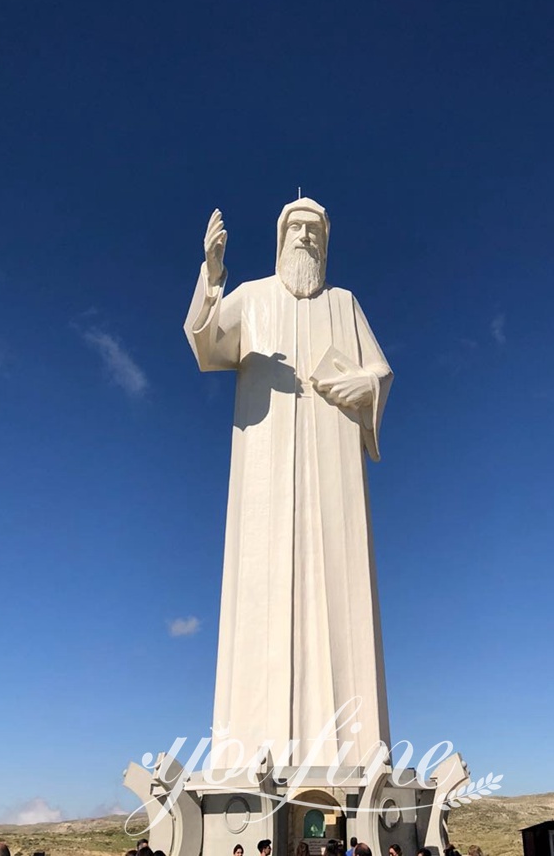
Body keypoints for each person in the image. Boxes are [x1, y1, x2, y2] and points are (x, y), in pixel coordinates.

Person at [186, 200, 393, 768]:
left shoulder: (344, 305)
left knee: (343, 589)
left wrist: (362, 387)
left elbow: (380, 371)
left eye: (314, 229)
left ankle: (355, 757)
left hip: (334, 472)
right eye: (295, 228)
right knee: (259, 592)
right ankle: (249, 756)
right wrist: (212, 275)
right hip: (264, 470)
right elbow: (207, 345)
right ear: (280, 239)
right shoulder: (251, 296)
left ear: (325, 241)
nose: (304, 237)